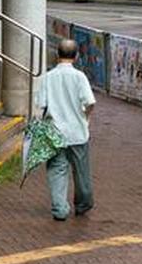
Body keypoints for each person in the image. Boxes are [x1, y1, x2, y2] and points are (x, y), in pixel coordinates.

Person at [33, 38, 97, 220]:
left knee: (57, 170)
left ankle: (59, 209)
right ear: (76, 56)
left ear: (57, 55)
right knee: (81, 170)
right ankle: (83, 203)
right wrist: (86, 115)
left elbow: (41, 106)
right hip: (78, 132)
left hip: (54, 132)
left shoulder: (47, 77)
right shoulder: (79, 77)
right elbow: (90, 102)